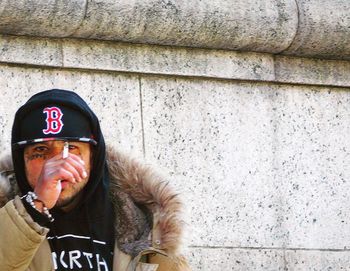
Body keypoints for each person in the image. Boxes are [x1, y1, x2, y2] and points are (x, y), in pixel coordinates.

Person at [0, 89, 190, 271]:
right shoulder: (4, 212)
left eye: (71, 148)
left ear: (94, 157)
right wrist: (36, 206)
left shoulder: (150, 226)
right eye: (40, 151)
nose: (57, 166)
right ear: (21, 161)